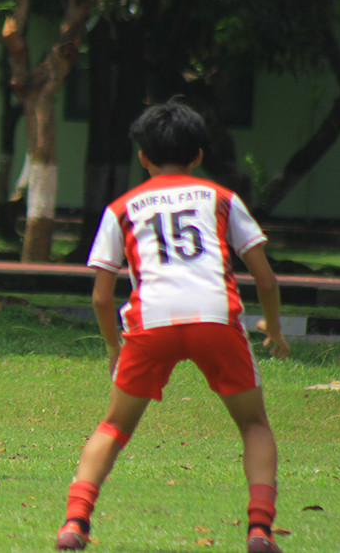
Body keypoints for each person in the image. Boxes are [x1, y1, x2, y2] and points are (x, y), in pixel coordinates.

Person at [54, 99, 289, 553]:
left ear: (142, 156)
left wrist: (113, 348)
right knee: (254, 424)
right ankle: (259, 530)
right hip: (215, 317)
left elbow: (102, 296)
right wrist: (274, 329)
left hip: (152, 320)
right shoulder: (222, 199)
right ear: (198, 155)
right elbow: (265, 278)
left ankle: (74, 522)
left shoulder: (122, 207)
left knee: (113, 427)